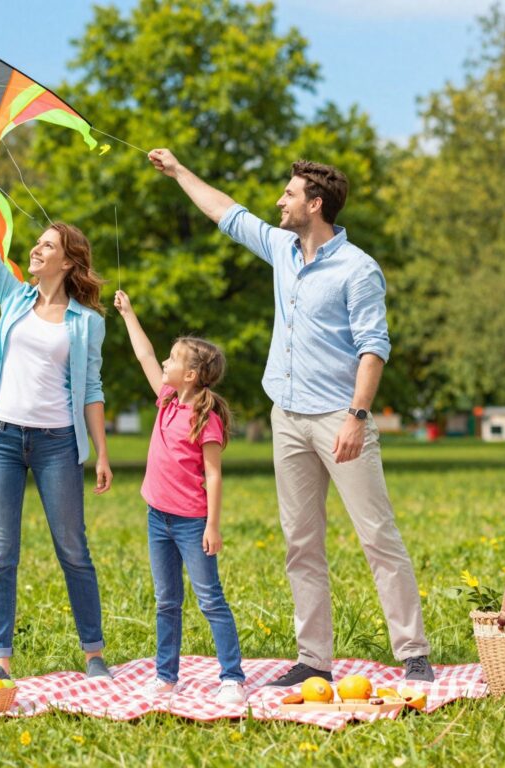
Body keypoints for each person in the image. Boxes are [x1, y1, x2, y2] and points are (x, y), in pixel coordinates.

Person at [147, 149, 434, 683]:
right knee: (300, 540)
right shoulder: (282, 248)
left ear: (315, 203)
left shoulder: (358, 269)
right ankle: (313, 660)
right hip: (289, 417)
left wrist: (356, 416)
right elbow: (226, 214)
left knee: (377, 535)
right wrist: (180, 171)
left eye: (289, 194)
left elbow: (374, 348)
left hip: (339, 418)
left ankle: (413, 652)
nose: (279, 201)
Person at [0, 144, 114, 680]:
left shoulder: (87, 322)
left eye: (46, 246)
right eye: (37, 244)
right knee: (1, 553)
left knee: (72, 548)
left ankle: (94, 654)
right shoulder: (14, 298)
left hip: (57, 443)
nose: (36, 250)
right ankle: (0, 662)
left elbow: (91, 389)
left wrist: (102, 453)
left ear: (67, 261)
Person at [113, 288, 247, 704]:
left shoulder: (204, 418)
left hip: (192, 523)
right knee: (166, 600)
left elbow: (214, 474)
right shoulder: (167, 399)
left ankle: (232, 677)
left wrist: (212, 525)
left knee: (210, 600)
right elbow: (145, 357)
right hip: (158, 518)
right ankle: (166, 676)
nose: (166, 364)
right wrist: (129, 314)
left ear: (190, 375)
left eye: (175, 360)